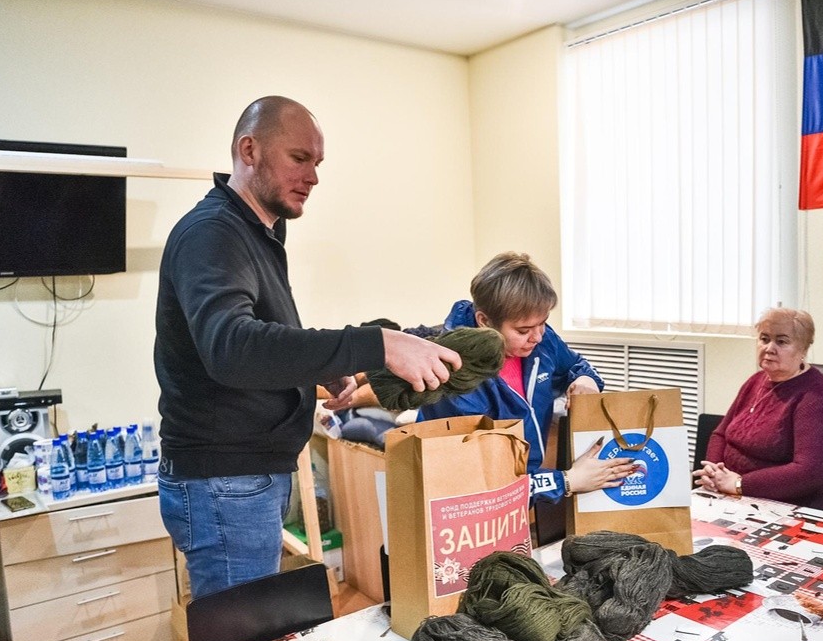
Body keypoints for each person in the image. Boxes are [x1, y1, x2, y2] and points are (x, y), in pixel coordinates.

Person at [154, 96, 461, 598]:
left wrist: (310, 372)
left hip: (245, 477)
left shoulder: (257, 233)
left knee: (250, 635)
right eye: (299, 158)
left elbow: (260, 341)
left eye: (317, 163)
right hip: (226, 481)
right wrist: (377, 344)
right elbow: (232, 348)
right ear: (248, 149)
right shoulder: (213, 234)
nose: (313, 177)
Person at [418, 252, 636, 503]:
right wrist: (567, 481)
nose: (538, 336)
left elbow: (577, 365)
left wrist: (585, 380)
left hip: (525, 485)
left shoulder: (539, 340)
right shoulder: (456, 379)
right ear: (484, 322)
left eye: (543, 323)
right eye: (523, 330)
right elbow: (485, 486)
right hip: (464, 503)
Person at [694, 307, 823, 511]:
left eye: (782, 341)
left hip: (790, 509)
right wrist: (713, 472)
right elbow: (720, 434)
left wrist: (739, 484)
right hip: (731, 497)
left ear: (803, 349)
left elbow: (810, 472)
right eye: (764, 339)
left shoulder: (820, 396)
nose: (769, 348)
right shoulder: (756, 381)